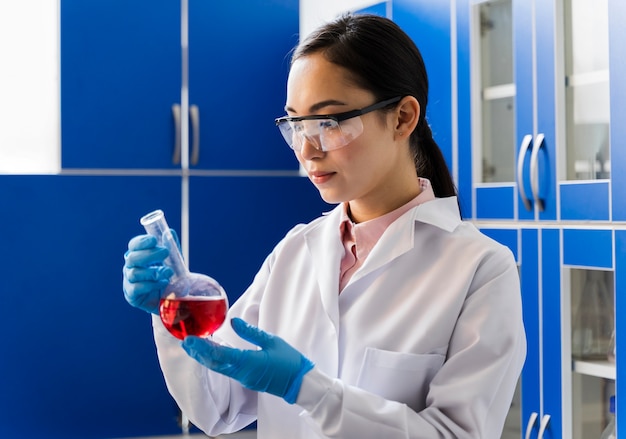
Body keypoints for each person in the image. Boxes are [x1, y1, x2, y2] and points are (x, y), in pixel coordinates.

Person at [123, 13, 526, 439]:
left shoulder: (481, 269)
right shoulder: (296, 252)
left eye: (328, 122)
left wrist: (309, 390)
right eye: (296, 124)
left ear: (403, 118)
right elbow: (218, 407)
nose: (308, 150)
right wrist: (172, 312)